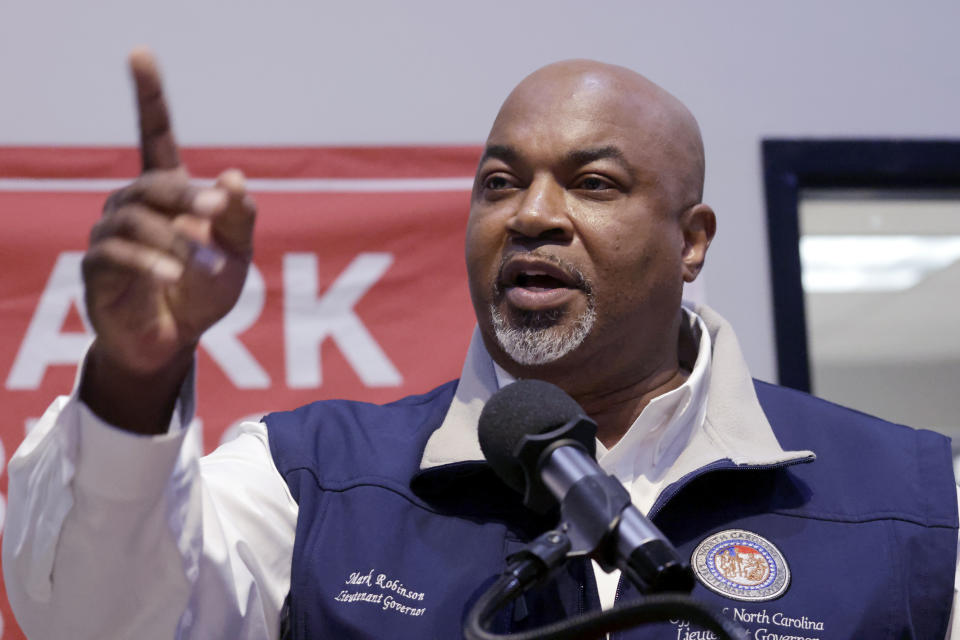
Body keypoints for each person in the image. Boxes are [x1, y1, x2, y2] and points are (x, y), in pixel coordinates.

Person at [3, 49, 957, 640]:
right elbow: (102, 624)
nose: (532, 216)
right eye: (500, 183)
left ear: (692, 240)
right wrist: (136, 373)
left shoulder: (916, 504)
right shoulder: (314, 481)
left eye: (592, 183)